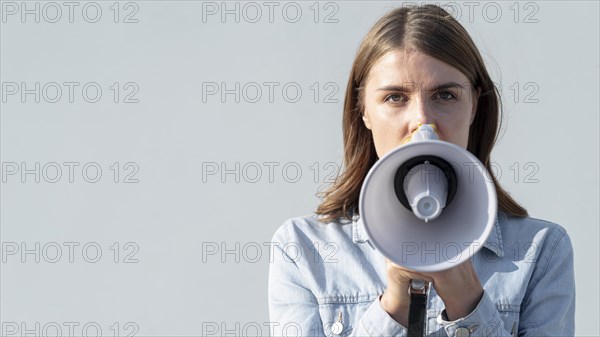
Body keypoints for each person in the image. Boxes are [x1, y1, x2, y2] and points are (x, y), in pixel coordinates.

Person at [268, 4, 575, 337]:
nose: (422, 121)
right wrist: (395, 305)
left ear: (474, 105)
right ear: (364, 111)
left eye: (445, 95)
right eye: (396, 97)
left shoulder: (540, 250)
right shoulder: (303, 249)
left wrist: (468, 301)